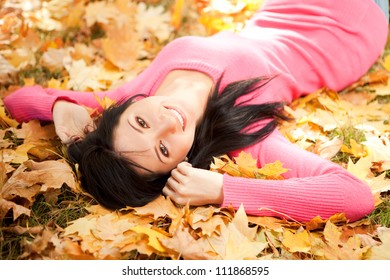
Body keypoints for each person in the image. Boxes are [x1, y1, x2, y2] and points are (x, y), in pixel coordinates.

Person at [4, 0, 388, 222]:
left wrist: (82, 131)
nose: (168, 123)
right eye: (164, 150)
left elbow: (17, 100)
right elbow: (353, 195)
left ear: (125, 110)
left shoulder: (130, 95)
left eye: (141, 122)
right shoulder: (242, 128)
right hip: (352, 24)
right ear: (184, 162)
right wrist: (222, 189)